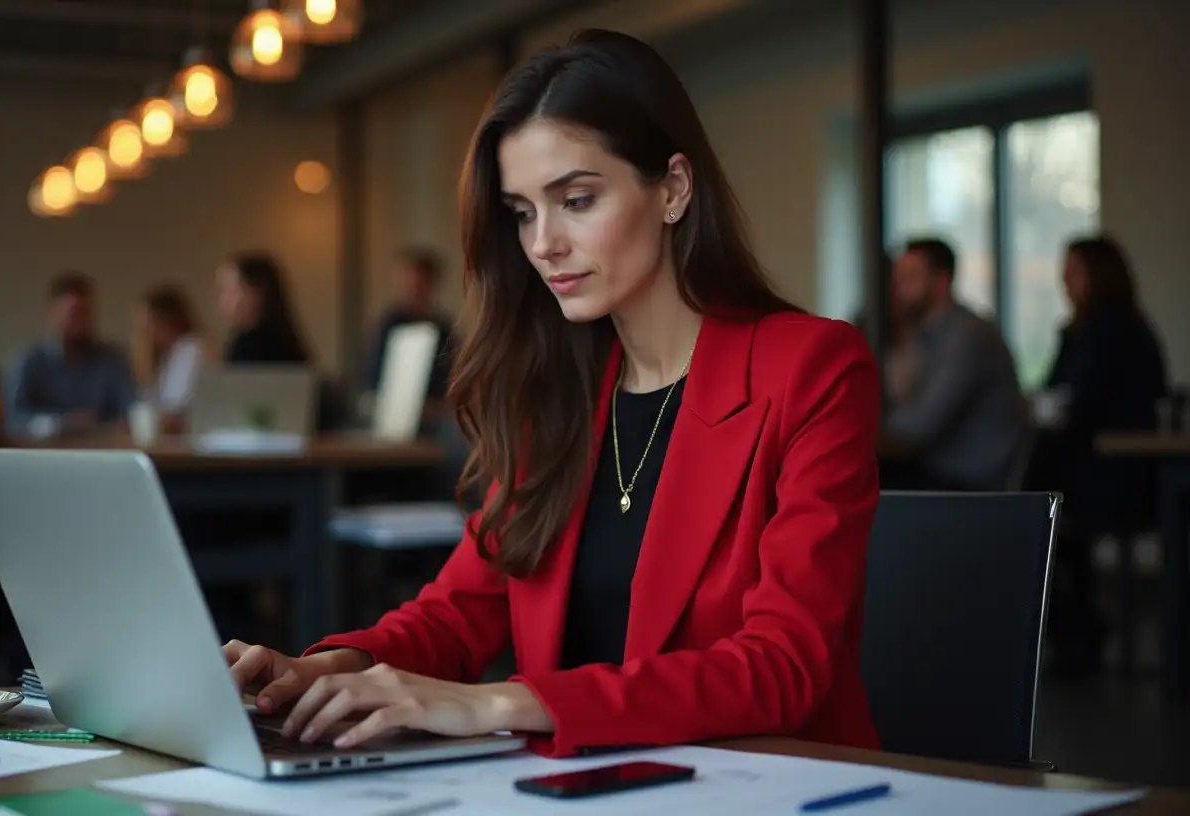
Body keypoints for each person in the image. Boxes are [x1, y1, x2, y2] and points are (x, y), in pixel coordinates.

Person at [223, 29, 881, 757]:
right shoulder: (560, 390)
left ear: (672, 189)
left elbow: (784, 668)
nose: (543, 244)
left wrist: (495, 703)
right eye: (523, 212)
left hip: (766, 783)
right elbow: (459, 613)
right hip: (581, 790)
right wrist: (320, 671)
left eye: (575, 199)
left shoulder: (812, 367)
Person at [1038, 235, 1168, 674]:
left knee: (1041, 500)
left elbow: (1076, 403)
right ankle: (1076, 629)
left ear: (1098, 276)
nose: (1064, 280)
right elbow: (1058, 397)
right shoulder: (1081, 331)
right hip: (1092, 469)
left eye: (1073, 270)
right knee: (1040, 489)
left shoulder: (1113, 333)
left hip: (1117, 477)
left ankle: (1076, 631)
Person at [880, 238, 1029, 491]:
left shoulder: (966, 335)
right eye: (897, 277)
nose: (898, 287)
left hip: (971, 484)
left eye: (910, 276)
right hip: (939, 471)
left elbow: (921, 424)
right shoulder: (924, 333)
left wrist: (860, 436)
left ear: (941, 281)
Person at [3, 272, 136, 437]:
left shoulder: (113, 359)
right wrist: (61, 423)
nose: (81, 323)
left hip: (102, 452)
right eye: (74, 313)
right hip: (45, 455)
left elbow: (130, 411)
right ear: (51, 314)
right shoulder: (29, 361)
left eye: (87, 314)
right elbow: (13, 419)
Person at [362, 249, 454, 407]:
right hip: (391, 405)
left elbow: (448, 375)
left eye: (418, 283)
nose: (412, 290)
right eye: (408, 283)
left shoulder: (443, 328)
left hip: (433, 408)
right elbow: (372, 376)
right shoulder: (389, 324)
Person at [216, 254, 310, 365]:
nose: (222, 297)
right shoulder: (287, 340)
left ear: (256, 292)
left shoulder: (250, 345)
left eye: (228, 289)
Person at [134, 285, 205, 432]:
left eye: (148, 323)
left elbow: (177, 406)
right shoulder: (166, 354)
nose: (144, 331)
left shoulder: (192, 349)